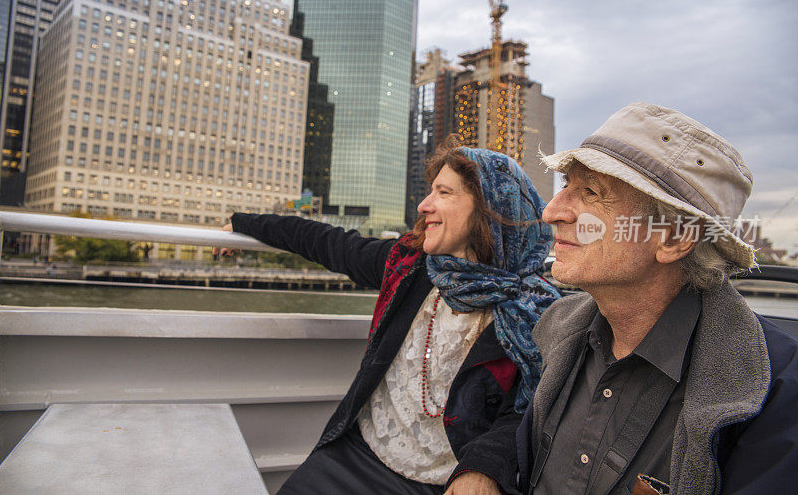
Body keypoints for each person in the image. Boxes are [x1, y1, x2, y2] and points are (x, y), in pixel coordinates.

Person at [451, 102, 798, 494]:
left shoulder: (771, 395)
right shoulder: (559, 329)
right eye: (566, 185)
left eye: (591, 192)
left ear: (675, 237)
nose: (551, 211)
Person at [215, 144, 561, 494]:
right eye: (430, 191)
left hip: (446, 482)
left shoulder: (536, 312)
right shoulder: (407, 266)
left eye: (444, 193)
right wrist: (244, 224)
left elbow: (528, 410)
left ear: (491, 211)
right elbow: (326, 242)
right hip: (355, 456)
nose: (425, 205)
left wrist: (484, 468)